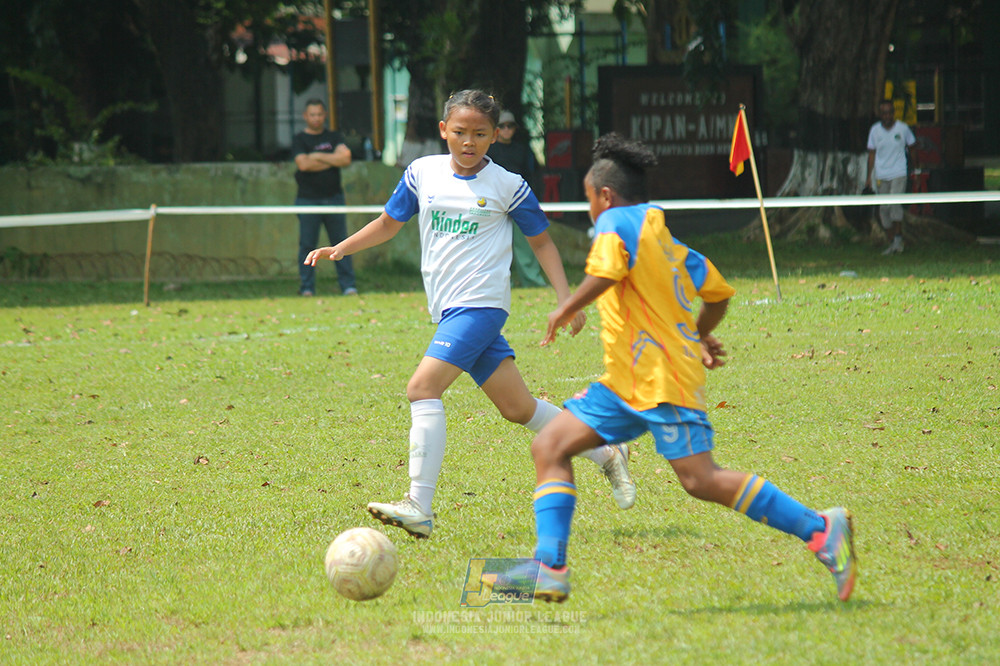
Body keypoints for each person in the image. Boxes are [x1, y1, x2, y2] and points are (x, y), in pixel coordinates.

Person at [517, 133, 857, 604]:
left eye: (590, 199)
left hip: (662, 381)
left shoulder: (614, 222)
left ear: (605, 195)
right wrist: (696, 333)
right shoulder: (668, 242)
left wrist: (565, 307)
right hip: (625, 384)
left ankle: (822, 528)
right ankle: (549, 566)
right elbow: (717, 293)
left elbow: (607, 273)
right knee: (550, 445)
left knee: (701, 480)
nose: (591, 209)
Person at [304, 90, 635, 539]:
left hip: (481, 305)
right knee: (518, 408)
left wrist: (565, 300)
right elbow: (388, 222)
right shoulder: (422, 173)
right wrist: (341, 248)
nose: (468, 142)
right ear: (443, 130)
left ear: (495, 136)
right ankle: (606, 450)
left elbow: (541, 242)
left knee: (422, 388)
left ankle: (418, 504)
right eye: (459, 132)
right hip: (449, 310)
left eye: (480, 134)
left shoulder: (508, 185)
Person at [293, 99, 357, 296]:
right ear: (305, 116)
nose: (316, 118)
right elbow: (303, 165)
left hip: (334, 199)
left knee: (341, 244)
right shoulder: (299, 139)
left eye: (319, 114)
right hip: (307, 200)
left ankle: (348, 286)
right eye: (312, 114)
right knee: (307, 245)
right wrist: (332, 160)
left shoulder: (334, 136)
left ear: (325, 115)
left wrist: (316, 156)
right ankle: (307, 288)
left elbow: (345, 159)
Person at [487, 110, 547, 287]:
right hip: (494, 203)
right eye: (502, 126)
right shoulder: (488, 151)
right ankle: (500, 282)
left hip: (519, 200)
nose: (506, 130)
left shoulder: (523, 150)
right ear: (496, 130)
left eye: (510, 126)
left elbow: (532, 174)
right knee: (494, 246)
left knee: (525, 245)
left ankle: (533, 280)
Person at [865, 99, 918, 255]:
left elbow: (913, 148)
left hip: (899, 173)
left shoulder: (903, 129)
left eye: (889, 112)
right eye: (884, 113)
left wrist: (916, 170)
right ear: (880, 114)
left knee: (895, 205)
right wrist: (869, 176)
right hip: (882, 175)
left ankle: (898, 240)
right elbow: (872, 154)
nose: (887, 116)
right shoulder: (874, 131)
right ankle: (892, 242)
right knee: (884, 210)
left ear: (893, 113)